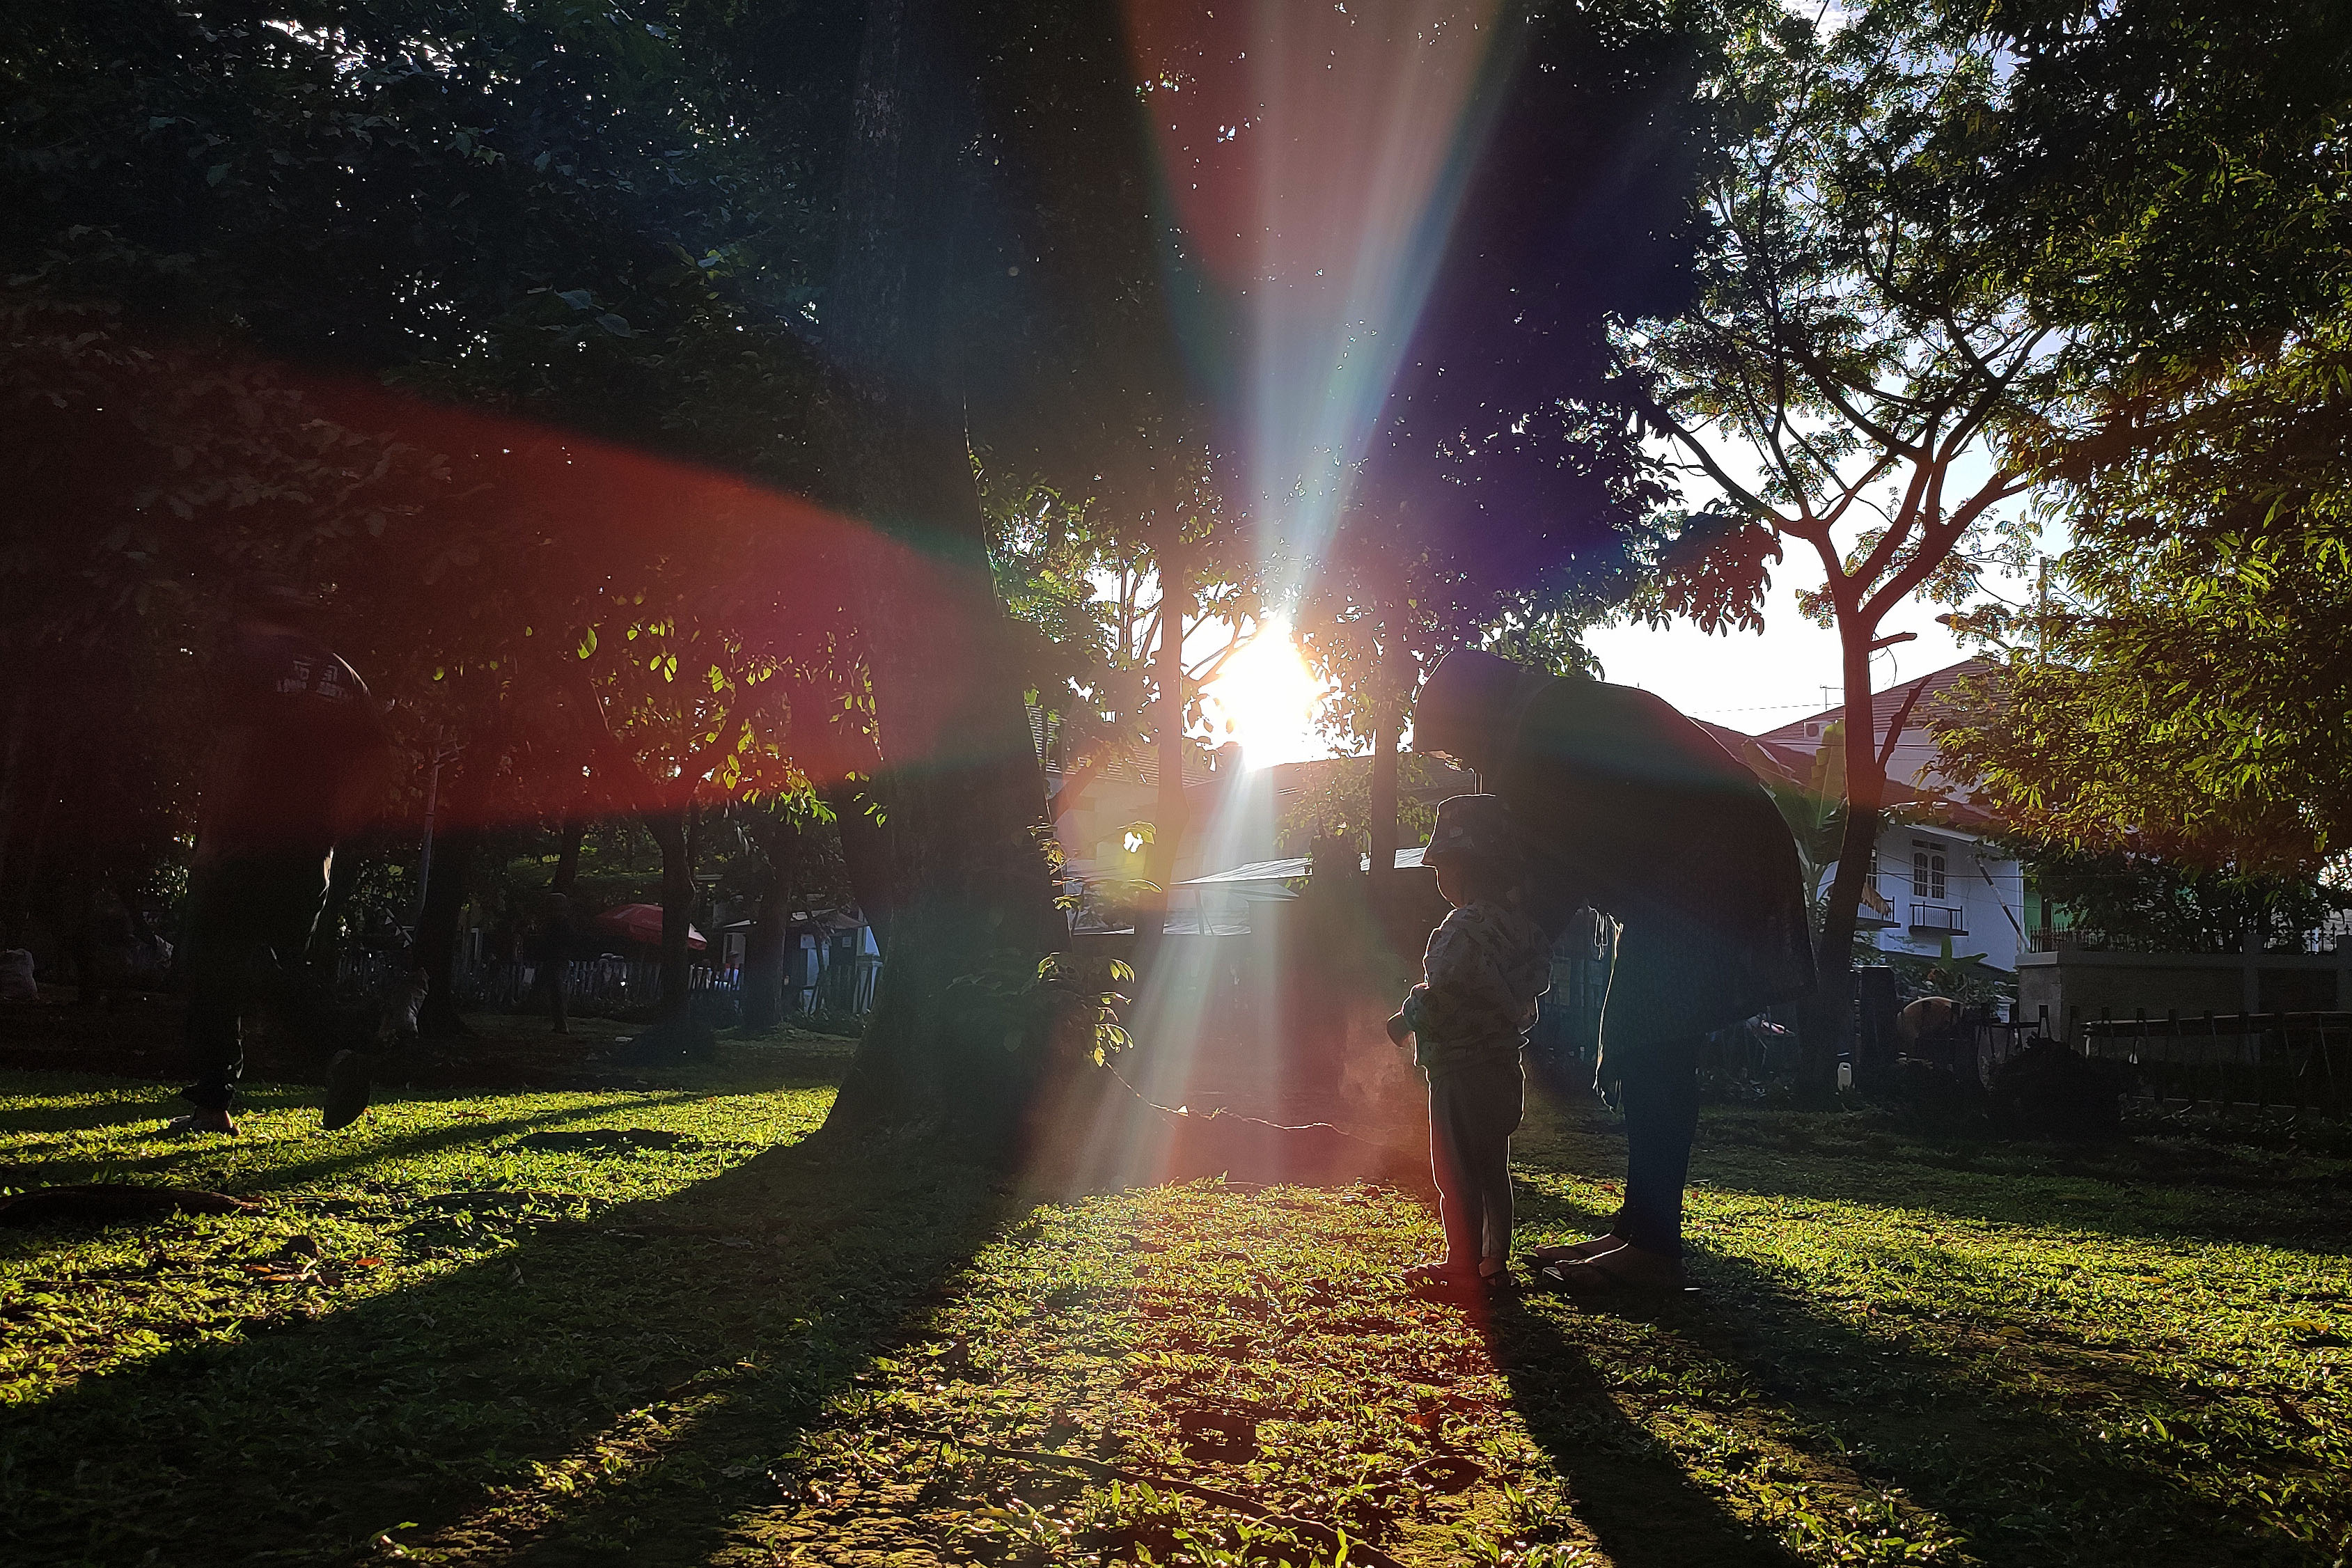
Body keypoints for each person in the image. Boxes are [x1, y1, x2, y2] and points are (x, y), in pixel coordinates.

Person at [1411, 649, 1813, 1293]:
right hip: (1690, 872)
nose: (1471, 767)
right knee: (1644, 1032)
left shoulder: (1542, 733)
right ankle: (1638, 1229)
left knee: (1651, 1038)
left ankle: (1653, 1246)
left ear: (1475, 714)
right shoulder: (1541, 720)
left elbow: (1555, 877)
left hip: (1713, 868)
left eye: (1461, 750)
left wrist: (1497, 963)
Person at [168, 587, 389, 1136]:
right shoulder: (345, 676)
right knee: (276, 962)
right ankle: (338, 1050)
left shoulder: (251, 660)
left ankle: (213, 1104)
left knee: (211, 966)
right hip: (311, 848)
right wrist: (335, 829)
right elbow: (378, 759)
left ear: (253, 618)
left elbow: (235, 748)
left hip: (246, 836)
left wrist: (214, 836)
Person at [1385, 794, 1553, 1292]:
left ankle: (1460, 1260)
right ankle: (1493, 1261)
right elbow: (1533, 984)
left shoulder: (1458, 930)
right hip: (1503, 1065)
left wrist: (1406, 1017)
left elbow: (1444, 992)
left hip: (1457, 1069)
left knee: (1455, 1167)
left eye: (1441, 866)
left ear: (1460, 869)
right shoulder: (1523, 929)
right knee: (1492, 1165)